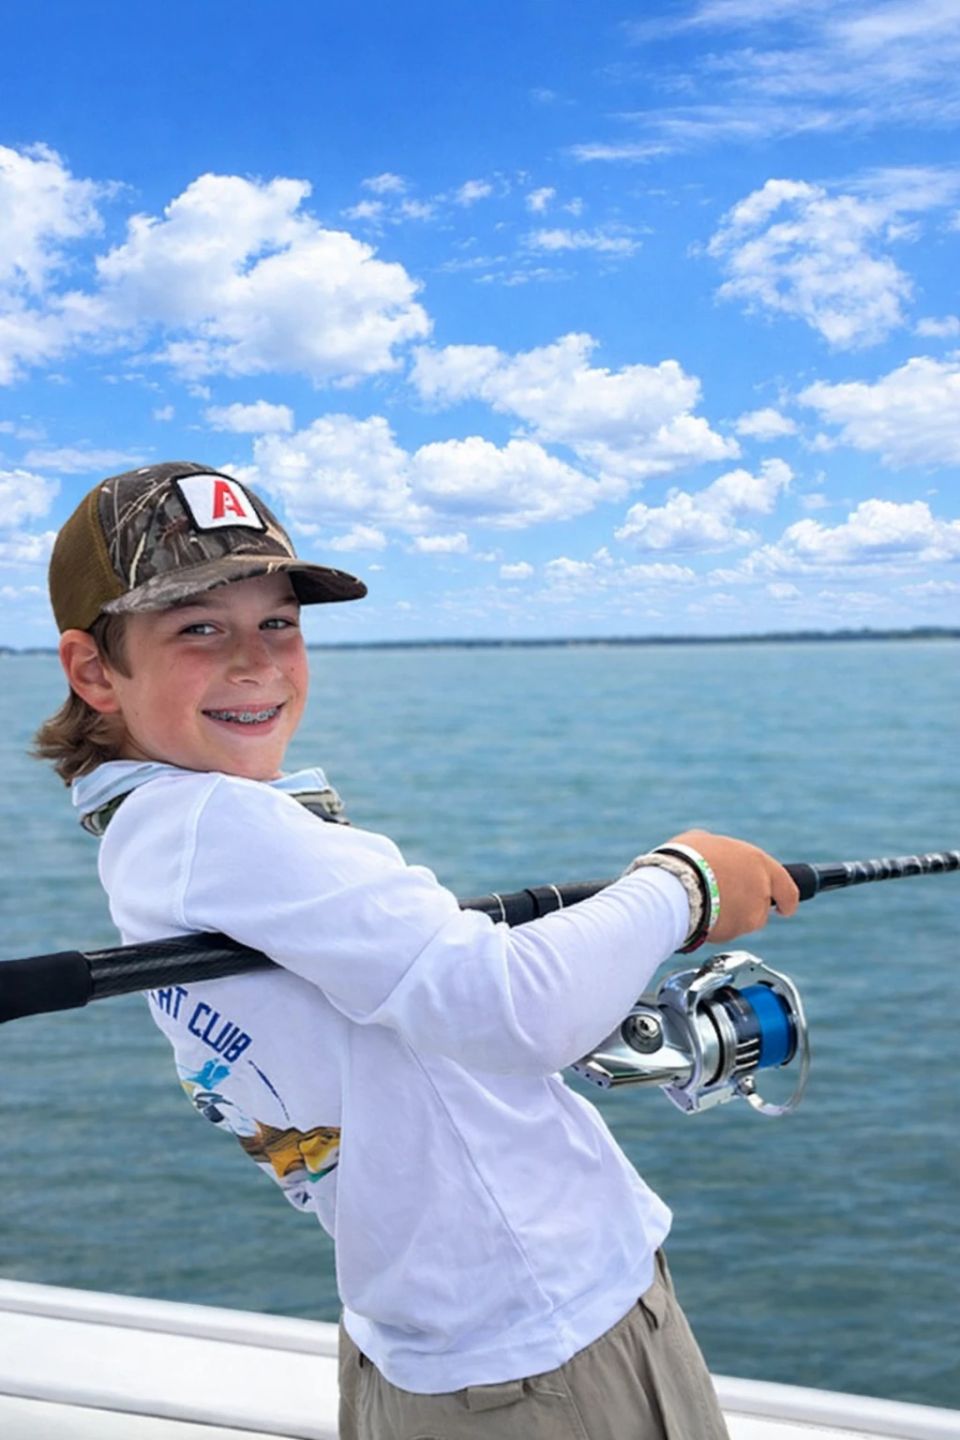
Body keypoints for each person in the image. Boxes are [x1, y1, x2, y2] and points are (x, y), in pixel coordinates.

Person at [36, 461, 799, 1440]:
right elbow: (506, 1004)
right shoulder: (221, 829)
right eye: (197, 627)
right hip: (543, 1348)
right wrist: (682, 880)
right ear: (95, 670)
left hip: (432, 1340)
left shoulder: (152, 833)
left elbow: (412, 1017)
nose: (256, 660)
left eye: (278, 621)